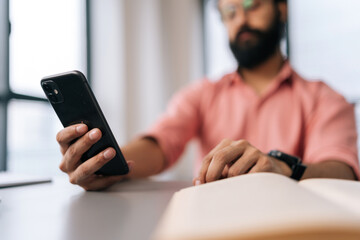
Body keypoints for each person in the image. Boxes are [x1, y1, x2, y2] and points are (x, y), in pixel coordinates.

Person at [56, 0, 359, 190]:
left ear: (282, 8)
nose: (241, 19)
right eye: (230, 11)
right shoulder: (202, 94)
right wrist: (108, 166)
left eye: (253, 5)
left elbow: (341, 171)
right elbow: (160, 143)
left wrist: (282, 166)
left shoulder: (326, 99)